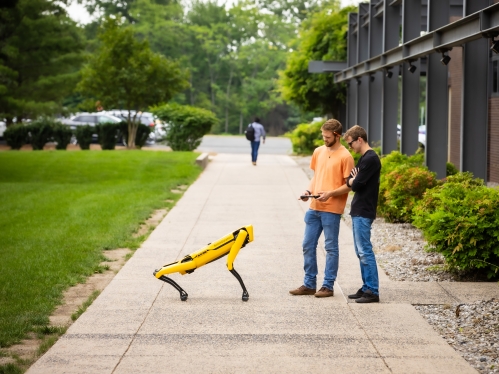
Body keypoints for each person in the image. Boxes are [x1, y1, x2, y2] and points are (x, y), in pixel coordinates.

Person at [290, 119, 354, 298]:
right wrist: (308, 191)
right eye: (323, 136)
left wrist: (331, 194)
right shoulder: (318, 151)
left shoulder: (346, 156)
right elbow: (317, 177)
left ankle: (328, 286)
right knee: (307, 245)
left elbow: (349, 185)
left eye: (327, 137)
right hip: (314, 206)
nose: (324, 139)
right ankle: (309, 284)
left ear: (337, 135)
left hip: (332, 209)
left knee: (330, 248)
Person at [328, 125, 381, 303]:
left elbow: (355, 184)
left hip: (364, 209)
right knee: (360, 251)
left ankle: (372, 290)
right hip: (359, 209)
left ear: (360, 139)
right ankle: (366, 287)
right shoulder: (364, 158)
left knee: (365, 251)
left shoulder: (370, 159)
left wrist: (353, 179)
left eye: (350, 143)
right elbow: (351, 178)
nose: (350, 147)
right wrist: (353, 179)